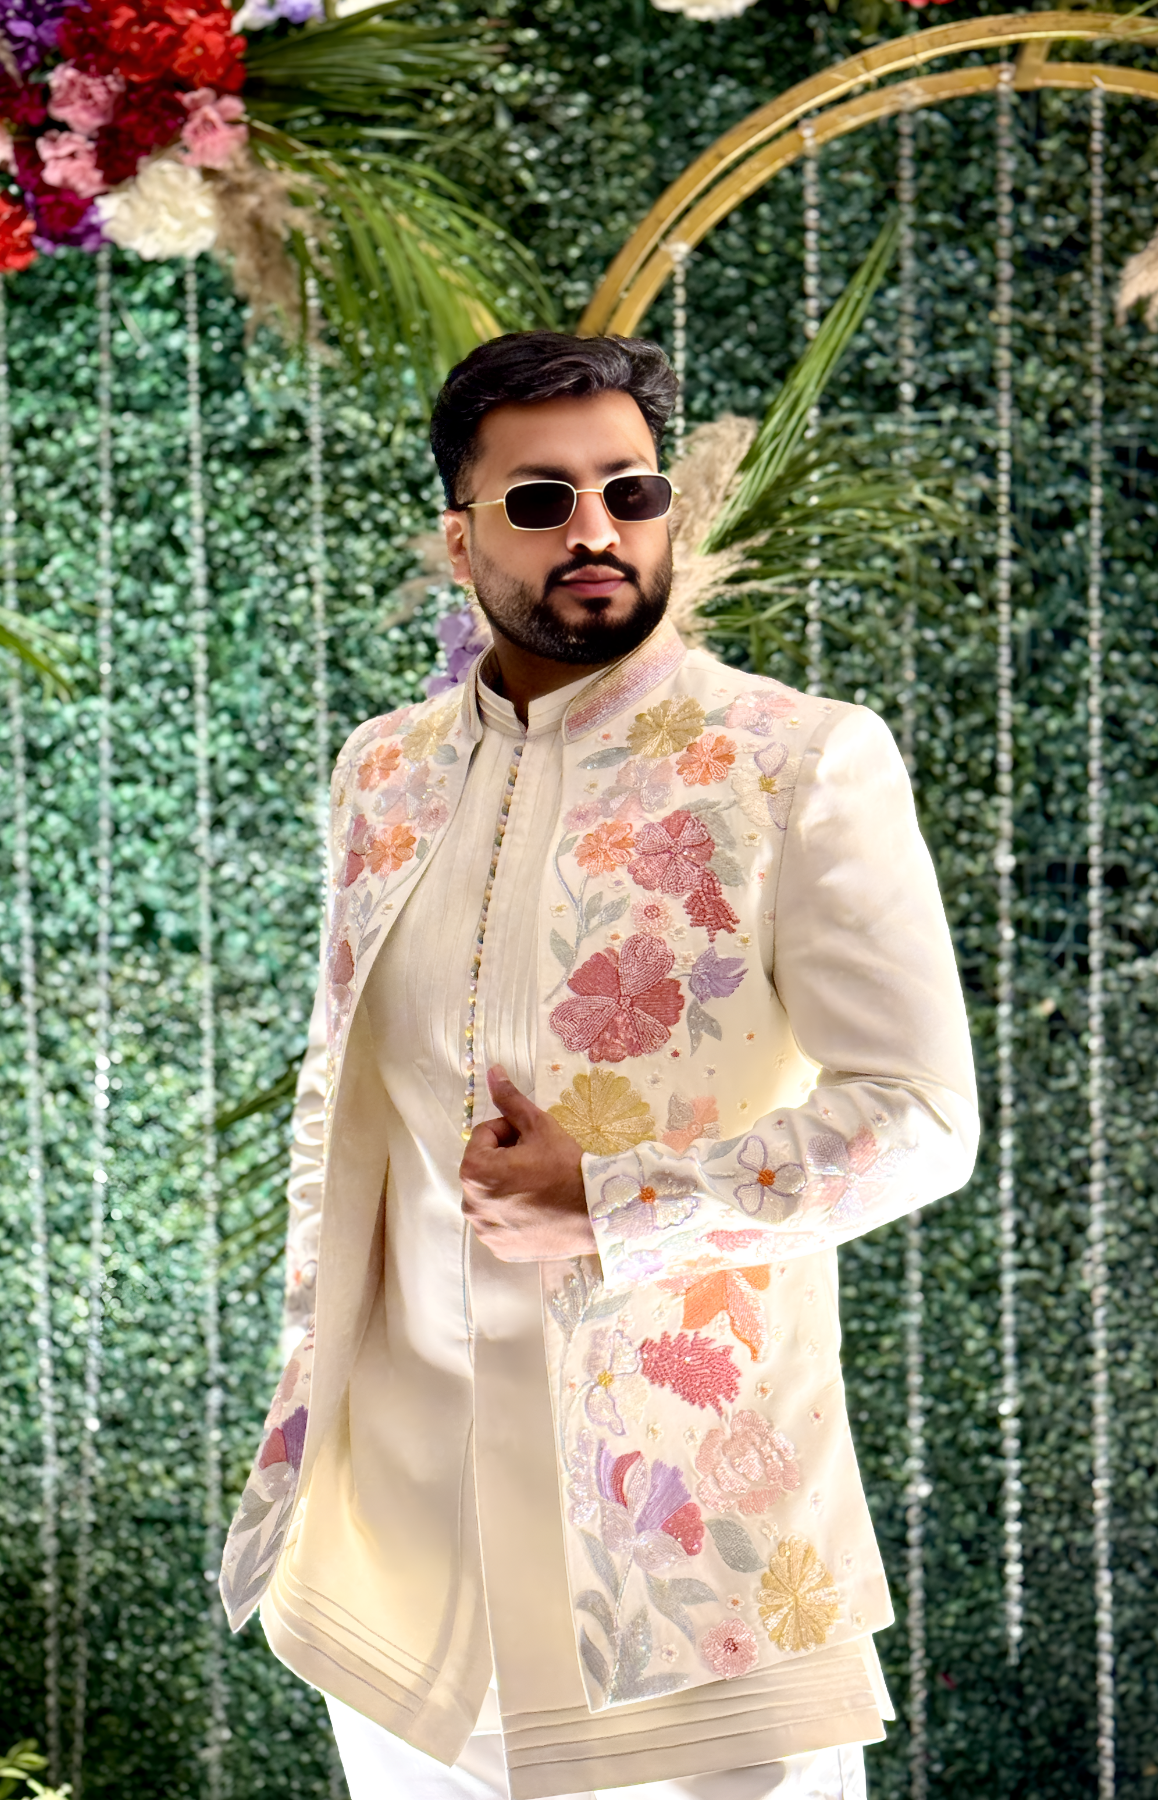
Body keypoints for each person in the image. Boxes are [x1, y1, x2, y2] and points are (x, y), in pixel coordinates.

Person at [219, 332, 978, 1800]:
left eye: (630, 491)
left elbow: (923, 1120)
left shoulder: (793, 763)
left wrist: (617, 1203)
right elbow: (340, 1111)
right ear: (460, 540)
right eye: (540, 500)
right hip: (399, 1553)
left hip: (681, 1552)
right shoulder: (384, 773)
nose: (596, 530)